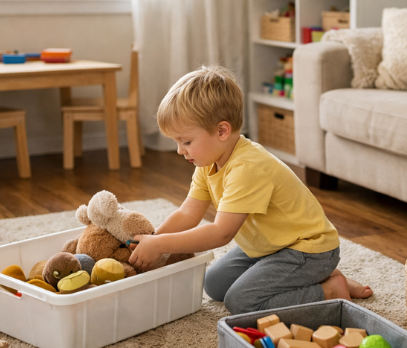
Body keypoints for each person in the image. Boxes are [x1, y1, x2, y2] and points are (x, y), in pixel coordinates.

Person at [128, 65, 372, 314]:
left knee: (242, 302)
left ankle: (329, 289)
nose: (180, 150)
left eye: (186, 141)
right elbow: (188, 214)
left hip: (308, 249)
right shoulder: (207, 161)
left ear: (221, 131)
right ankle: (315, 276)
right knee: (214, 285)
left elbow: (221, 233)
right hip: (270, 247)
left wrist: (161, 246)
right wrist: (153, 239)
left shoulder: (247, 167)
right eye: (176, 142)